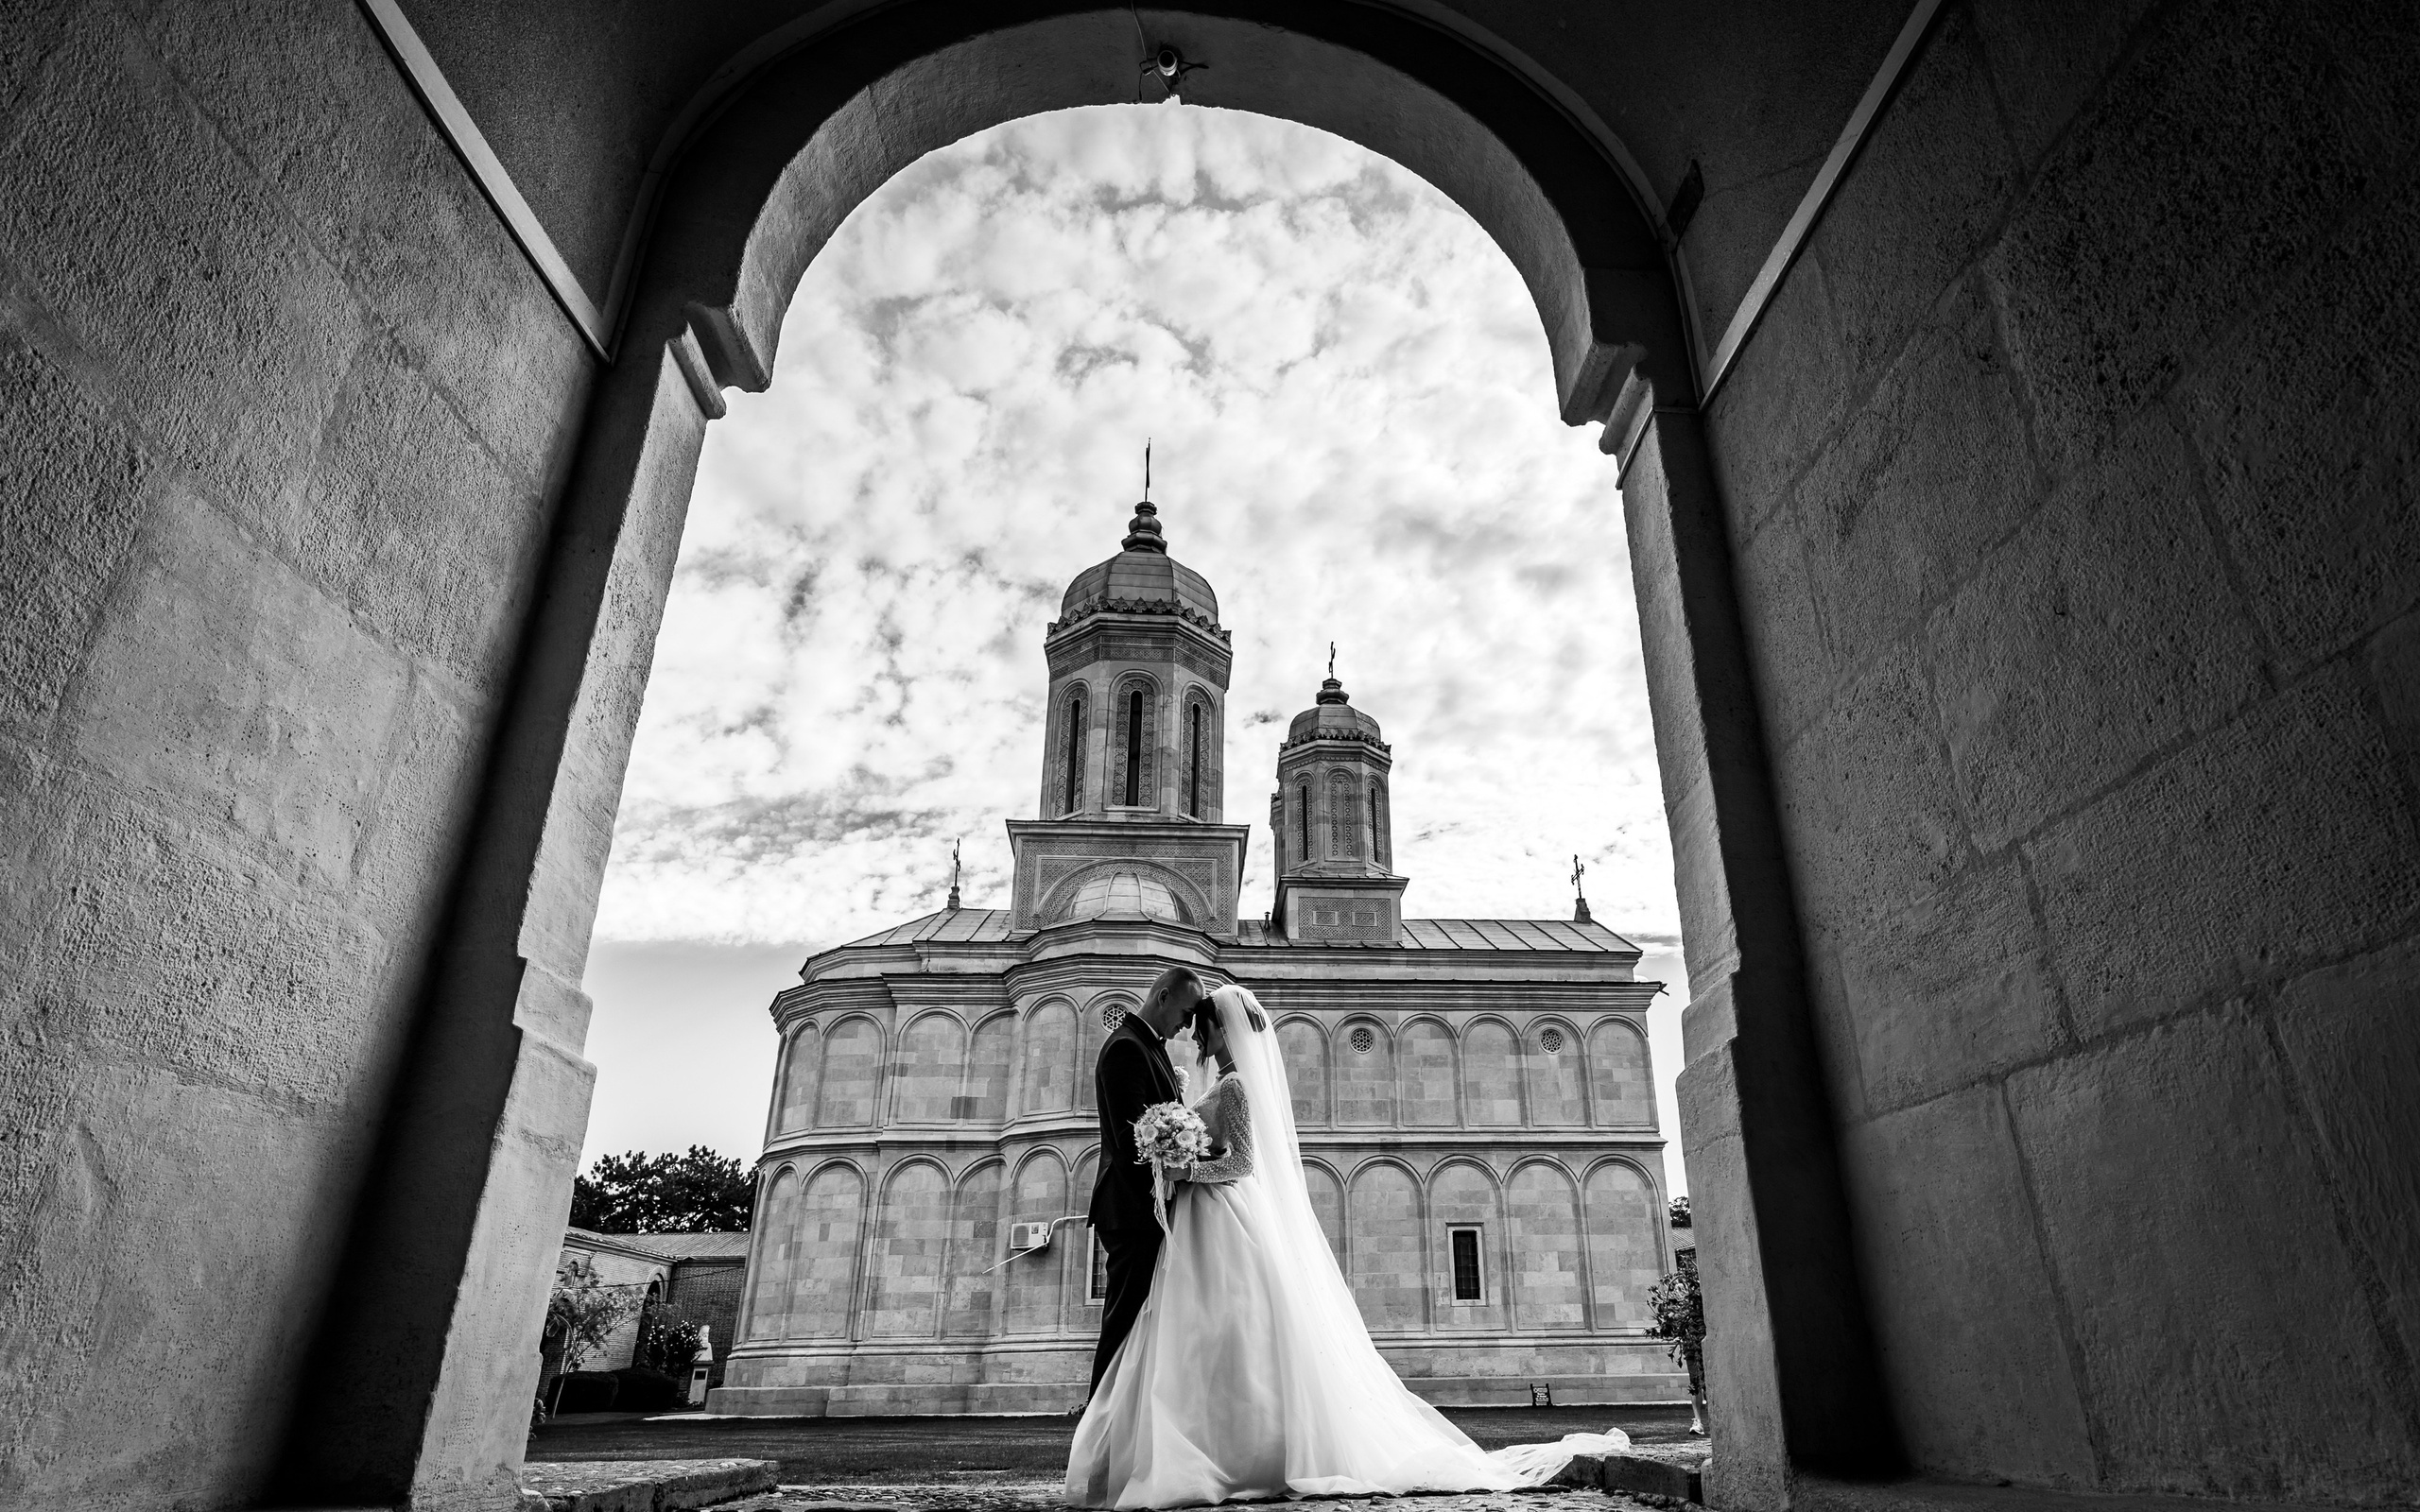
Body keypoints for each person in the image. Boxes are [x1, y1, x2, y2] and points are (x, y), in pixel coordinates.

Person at [1067, 982, 1629, 1508]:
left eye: (1200, 1024)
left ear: (1220, 1031)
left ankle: (1225, 1451)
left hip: (1215, 1213)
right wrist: (1182, 1159)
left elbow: (1240, 1162)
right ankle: (1195, 1445)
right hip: (1200, 1220)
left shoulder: (1235, 1087)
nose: (1192, 1033)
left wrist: (1185, 1167)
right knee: (1204, 1333)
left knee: (1224, 1330)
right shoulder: (1211, 1080)